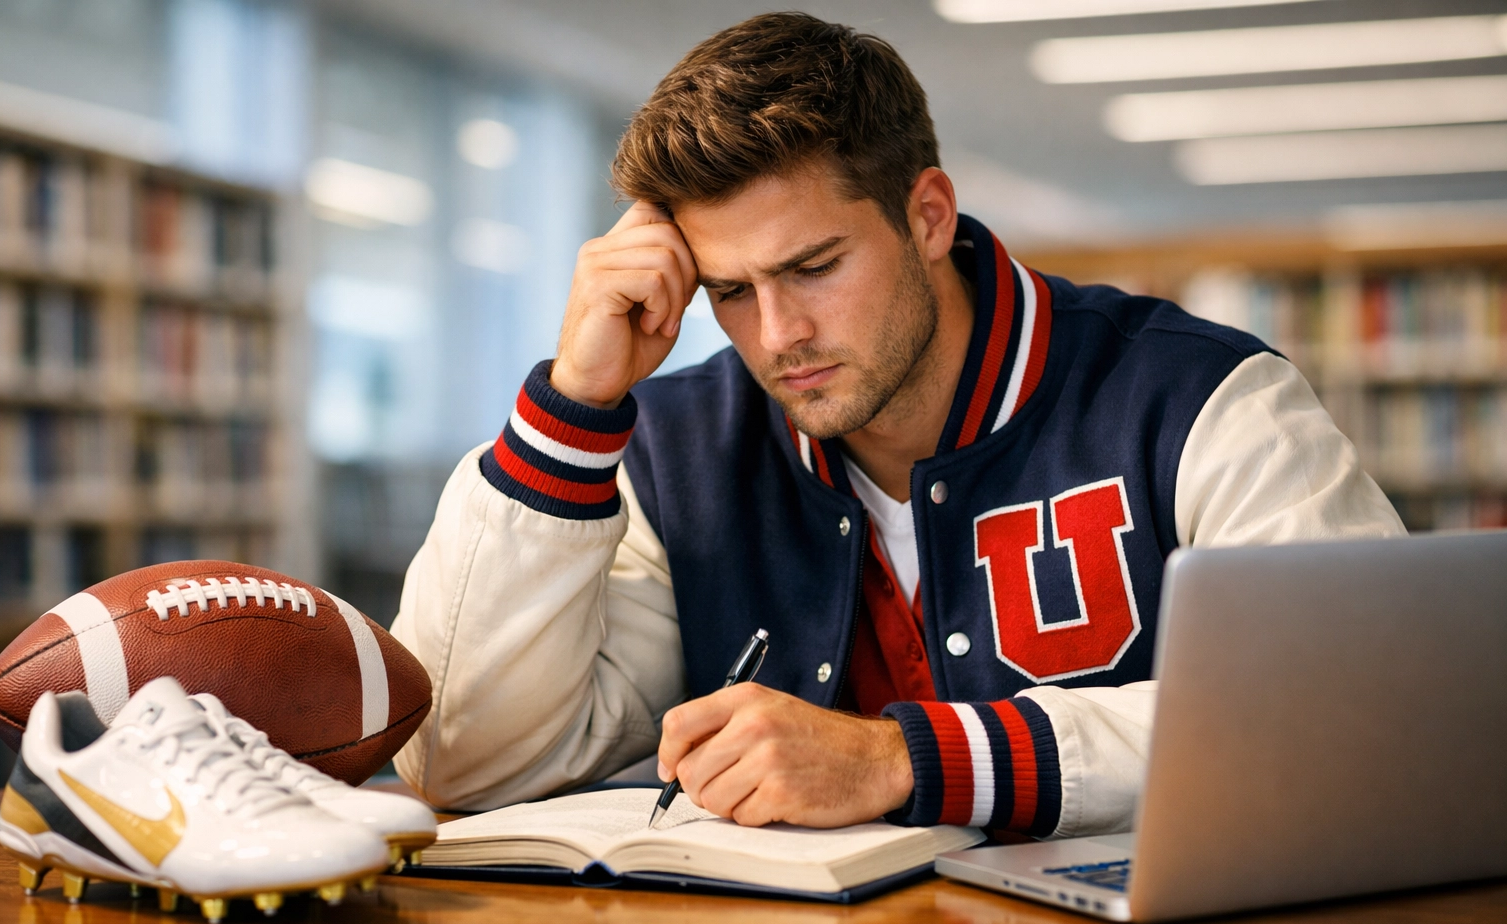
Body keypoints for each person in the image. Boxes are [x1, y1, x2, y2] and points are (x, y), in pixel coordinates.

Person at [391, 13, 1403, 836]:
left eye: (813, 266)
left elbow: (1369, 712)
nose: (779, 334)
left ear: (927, 216)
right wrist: (576, 405)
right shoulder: (675, 450)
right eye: (731, 290)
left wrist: (904, 759)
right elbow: (467, 764)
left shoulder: (1200, 398)